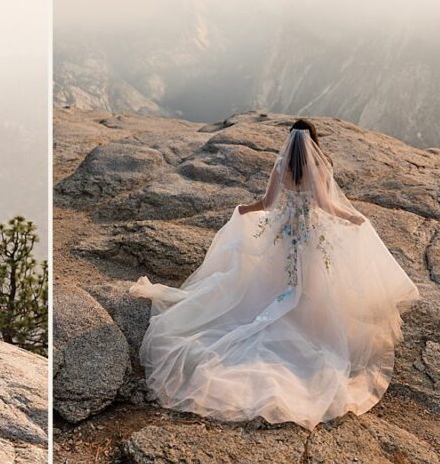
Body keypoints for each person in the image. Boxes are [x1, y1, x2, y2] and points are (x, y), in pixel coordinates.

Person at [129, 119, 420, 429]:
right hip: (309, 236)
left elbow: (268, 203)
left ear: (289, 142)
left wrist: (245, 209)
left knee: (279, 283)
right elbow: (324, 204)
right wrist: (353, 217)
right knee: (311, 286)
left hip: (282, 236)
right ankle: (310, 326)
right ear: (313, 142)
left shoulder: (281, 164)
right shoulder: (320, 168)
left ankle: (287, 317)